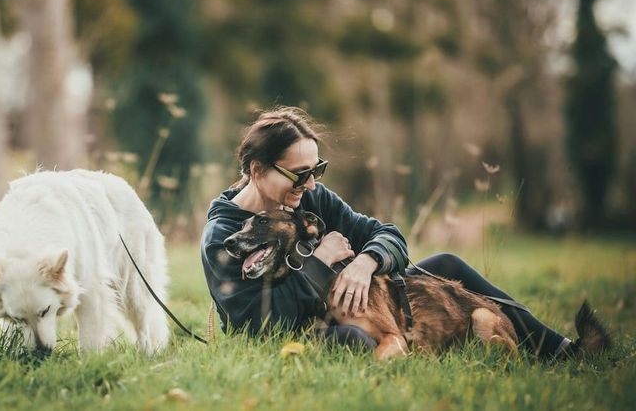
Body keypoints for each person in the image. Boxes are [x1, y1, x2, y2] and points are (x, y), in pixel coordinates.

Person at [200, 106, 575, 357]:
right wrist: (318, 263)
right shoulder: (224, 236)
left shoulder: (312, 200)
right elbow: (261, 323)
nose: (310, 184)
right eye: (299, 174)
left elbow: (388, 235)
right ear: (255, 168)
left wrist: (366, 262)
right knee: (355, 339)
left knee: (447, 263)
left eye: (317, 170)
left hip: (350, 307)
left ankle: (557, 349)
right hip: (305, 327)